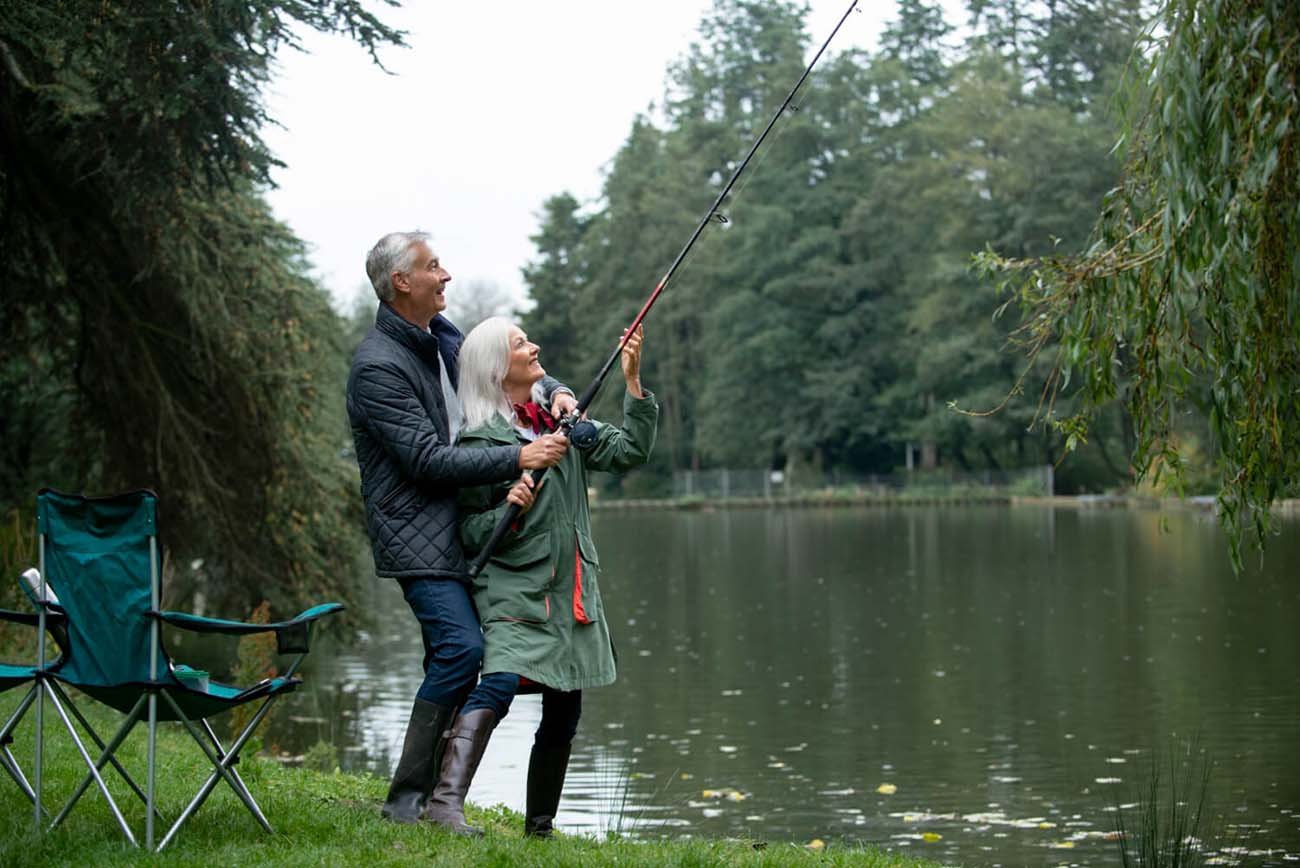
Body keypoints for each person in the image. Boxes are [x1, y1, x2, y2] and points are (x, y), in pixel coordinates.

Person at [346, 231, 577, 824]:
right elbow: (424, 459)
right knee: (461, 649)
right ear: (402, 281)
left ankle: (437, 804)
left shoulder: (442, 336)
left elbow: (504, 368)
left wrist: (555, 391)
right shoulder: (378, 366)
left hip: (475, 523)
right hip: (417, 535)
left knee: (472, 656)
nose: (446, 275)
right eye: (433, 266)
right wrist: (516, 458)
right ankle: (407, 804)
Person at [420, 317, 657, 837]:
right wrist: (510, 504)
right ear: (498, 368)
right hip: (513, 589)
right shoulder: (481, 442)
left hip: (570, 588)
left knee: (565, 704)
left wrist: (633, 382)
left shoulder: (563, 424)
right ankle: (443, 804)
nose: (535, 347)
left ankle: (540, 829)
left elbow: (629, 453)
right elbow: (466, 532)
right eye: (521, 343)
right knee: (499, 683)